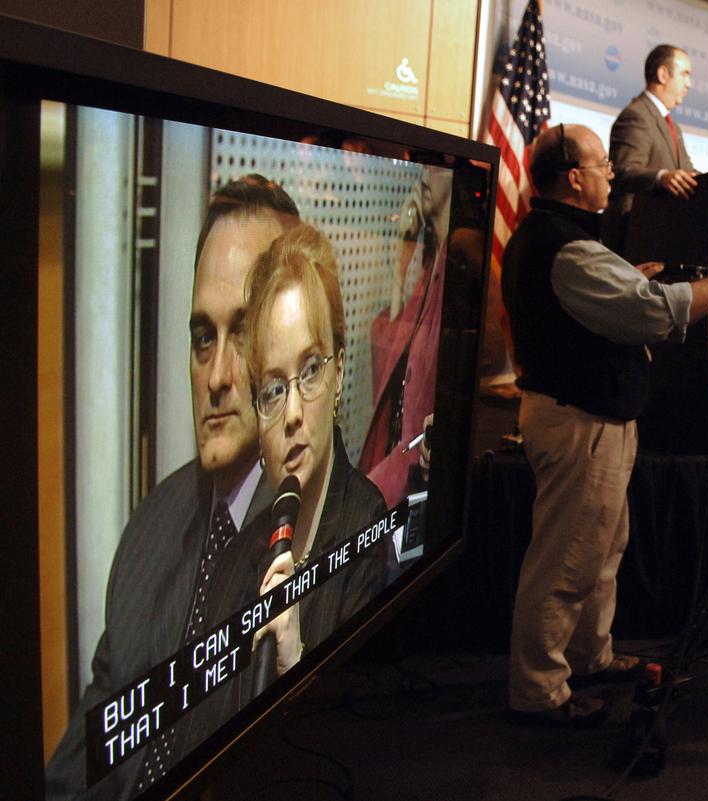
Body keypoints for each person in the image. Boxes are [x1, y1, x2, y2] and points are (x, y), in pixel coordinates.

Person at [501, 124, 708, 726]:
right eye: (602, 165)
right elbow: (652, 317)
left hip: (593, 419)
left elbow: (613, 305)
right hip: (580, 422)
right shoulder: (567, 247)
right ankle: (539, 691)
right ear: (575, 177)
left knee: (598, 551)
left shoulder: (563, 240)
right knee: (567, 560)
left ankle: (588, 657)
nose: (611, 174)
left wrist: (629, 282)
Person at [45, 175, 300, 800]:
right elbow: (90, 749)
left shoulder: (330, 530)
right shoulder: (149, 527)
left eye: (242, 332)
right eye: (202, 337)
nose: (215, 376)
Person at [238, 223, 392, 683]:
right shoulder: (245, 549)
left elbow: (353, 729)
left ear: (340, 373)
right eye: (271, 389)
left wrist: (295, 660)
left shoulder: (367, 522)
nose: (292, 413)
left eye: (310, 370)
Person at [359, 169, 451, 506]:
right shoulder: (432, 260)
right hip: (399, 467)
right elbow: (388, 359)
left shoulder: (459, 259)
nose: (426, 175)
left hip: (416, 478)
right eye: (424, 167)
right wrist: (402, 257)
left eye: (438, 168)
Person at [601, 44, 698, 250]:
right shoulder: (636, 115)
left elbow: (687, 172)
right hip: (632, 236)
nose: (689, 83)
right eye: (684, 74)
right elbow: (622, 172)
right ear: (663, 74)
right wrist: (662, 177)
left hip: (662, 235)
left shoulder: (673, 126)